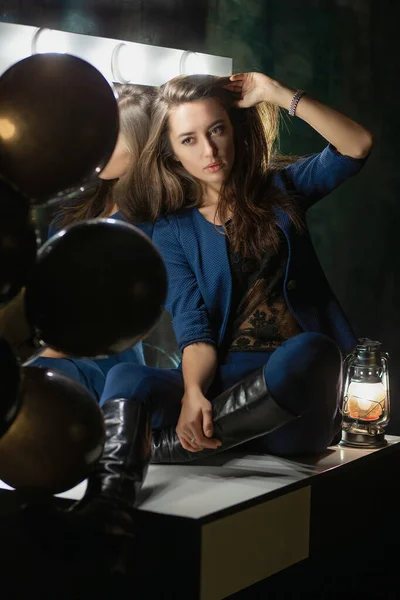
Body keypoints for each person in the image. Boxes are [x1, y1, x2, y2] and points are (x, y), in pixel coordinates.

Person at [97, 71, 373, 464]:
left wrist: (276, 93)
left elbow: (357, 145)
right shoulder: (171, 230)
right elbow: (194, 329)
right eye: (189, 140)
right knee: (124, 379)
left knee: (313, 350)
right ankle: (110, 505)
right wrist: (193, 394)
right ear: (173, 152)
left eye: (216, 130)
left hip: (292, 397)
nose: (209, 151)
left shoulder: (282, 189)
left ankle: (179, 447)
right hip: (221, 385)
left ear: (233, 130)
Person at [31, 83, 155, 402]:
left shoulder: (148, 225)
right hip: (51, 344)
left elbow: (121, 317)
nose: (97, 146)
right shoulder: (75, 207)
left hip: (98, 360)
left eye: (112, 139)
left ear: (141, 145)